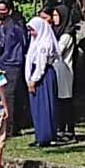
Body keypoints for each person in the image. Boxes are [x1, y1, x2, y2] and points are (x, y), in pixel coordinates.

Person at [25, 17, 59, 147]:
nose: (31, 33)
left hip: (43, 76)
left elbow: (41, 65)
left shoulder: (45, 43)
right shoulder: (35, 42)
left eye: (33, 30)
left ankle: (46, 136)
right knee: (37, 107)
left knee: (45, 106)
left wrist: (33, 80)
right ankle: (40, 135)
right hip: (36, 75)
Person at [0, 0, 27, 135]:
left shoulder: (14, 26)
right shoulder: (3, 25)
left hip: (12, 62)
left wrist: (3, 58)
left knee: (9, 95)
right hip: (6, 61)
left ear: (9, 11)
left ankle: (10, 127)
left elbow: (17, 44)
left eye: (3, 10)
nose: (0, 13)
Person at [52, 5, 76, 140]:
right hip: (57, 70)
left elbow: (58, 51)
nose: (54, 19)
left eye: (56, 16)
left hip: (65, 70)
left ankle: (69, 129)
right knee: (59, 100)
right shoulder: (56, 31)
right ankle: (60, 127)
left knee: (66, 100)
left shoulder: (66, 35)